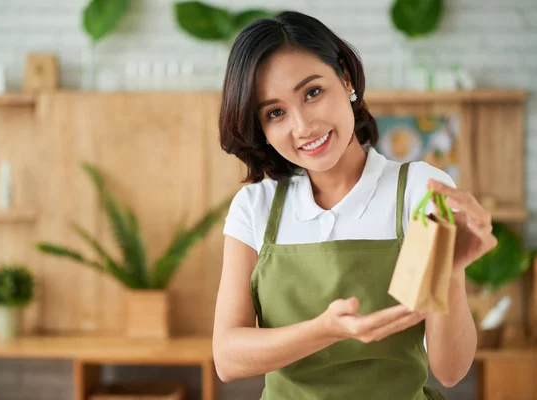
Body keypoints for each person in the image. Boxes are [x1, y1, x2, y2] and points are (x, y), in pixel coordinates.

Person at [212, 10, 498, 400]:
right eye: (275, 112)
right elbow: (227, 358)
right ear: (261, 127)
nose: (303, 126)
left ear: (345, 78)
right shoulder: (254, 206)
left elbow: (450, 371)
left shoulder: (420, 190)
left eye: (312, 92)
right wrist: (326, 330)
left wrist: (450, 273)